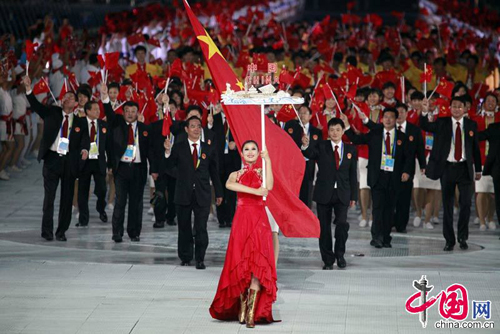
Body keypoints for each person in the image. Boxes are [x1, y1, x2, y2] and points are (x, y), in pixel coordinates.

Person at [209, 140, 277, 328]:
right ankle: (242, 308)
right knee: (240, 264)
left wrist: (268, 161)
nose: (250, 152)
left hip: (259, 221)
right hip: (241, 221)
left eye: (253, 149)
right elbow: (231, 186)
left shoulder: (262, 173)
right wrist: (255, 190)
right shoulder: (235, 174)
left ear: (258, 153)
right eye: (246, 149)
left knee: (257, 265)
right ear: (241, 153)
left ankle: (250, 313)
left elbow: (269, 186)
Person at [23, 76, 85, 241]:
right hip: (52, 160)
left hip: (69, 162)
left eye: (72, 98)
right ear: (62, 100)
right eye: (66, 96)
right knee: (49, 198)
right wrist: (29, 89)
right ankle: (47, 231)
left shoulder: (80, 122)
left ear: (76, 104)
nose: (68, 98)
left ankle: (61, 231)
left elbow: (85, 141)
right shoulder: (52, 112)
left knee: (66, 198)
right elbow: (35, 105)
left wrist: (85, 150)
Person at [342, 108, 413, 248]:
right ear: (382, 119)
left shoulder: (402, 137)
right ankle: (376, 237)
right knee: (377, 208)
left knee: (389, 208)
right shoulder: (375, 134)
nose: (388, 119)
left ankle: (386, 237)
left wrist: (406, 172)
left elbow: (408, 157)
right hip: (377, 176)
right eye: (385, 117)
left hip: (394, 177)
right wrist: (347, 125)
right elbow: (357, 139)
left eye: (391, 117)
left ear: (396, 120)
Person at [419, 96, 482, 251]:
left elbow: (475, 149)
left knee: (466, 204)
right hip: (447, 168)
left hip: (464, 168)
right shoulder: (442, 122)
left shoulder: (471, 125)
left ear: (465, 108)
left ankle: (462, 237)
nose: (456, 109)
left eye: (459, 107)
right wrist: (424, 111)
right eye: (453, 106)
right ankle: (449, 239)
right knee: (447, 205)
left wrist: (478, 169)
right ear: (450, 107)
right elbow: (425, 125)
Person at [163, 116, 223, 269]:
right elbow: (169, 167)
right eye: (193, 126)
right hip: (183, 193)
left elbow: (214, 172)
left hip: (203, 194)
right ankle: (185, 256)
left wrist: (219, 193)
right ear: (186, 129)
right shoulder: (178, 147)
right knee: (184, 227)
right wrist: (168, 153)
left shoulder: (208, 148)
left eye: (198, 126)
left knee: (201, 227)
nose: (196, 129)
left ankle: (200, 258)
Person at [302, 118, 358, 269]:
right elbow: (309, 153)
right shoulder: (321, 146)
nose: (335, 133)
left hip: (343, 193)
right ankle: (328, 259)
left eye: (338, 130)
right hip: (324, 192)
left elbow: (353, 174)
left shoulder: (350, 150)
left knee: (342, 224)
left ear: (342, 131)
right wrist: (305, 144)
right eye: (332, 130)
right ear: (328, 131)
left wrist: (354, 196)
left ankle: (339, 254)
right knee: (324, 227)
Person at [101, 85, 153, 243]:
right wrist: (105, 98)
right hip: (122, 169)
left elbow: (150, 151)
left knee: (136, 203)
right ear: (123, 113)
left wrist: (155, 170)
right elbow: (109, 112)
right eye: (127, 112)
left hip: (138, 169)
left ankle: (134, 232)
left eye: (133, 112)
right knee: (120, 201)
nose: (130, 114)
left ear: (137, 113)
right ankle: (117, 233)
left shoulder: (144, 129)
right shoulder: (117, 124)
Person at [77, 101, 109, 227]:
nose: (98, 111)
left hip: (98, 161)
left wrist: (110, 163)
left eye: (98, 109)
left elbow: (108, 146)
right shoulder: (79, 123)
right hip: (84, 161)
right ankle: (83, 218)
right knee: (83, 191)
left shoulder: (103, 125)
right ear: (88, 111)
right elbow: (75, 142)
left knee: (102, 189)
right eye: (94, 109)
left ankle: (101, 208)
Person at [285, 105, 322, 208]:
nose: (302, 115)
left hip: (308, 165)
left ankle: (305, 217)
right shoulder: (291, 126)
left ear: (310, 116)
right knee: (292, 192)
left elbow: (317, 152)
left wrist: (307, 148)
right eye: (300, 112)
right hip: (293, 164)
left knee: (307, 193)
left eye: (305, 113)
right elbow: (287, 144)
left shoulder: (316, 132)